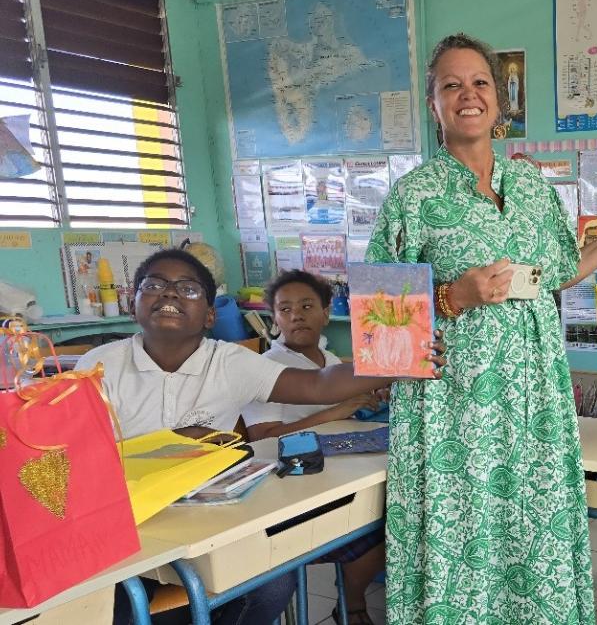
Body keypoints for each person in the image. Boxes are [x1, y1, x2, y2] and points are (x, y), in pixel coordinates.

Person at [364, 33, 597, 624]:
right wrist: (454, 296)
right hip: (453, 411)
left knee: (534, 529)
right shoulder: (412, 197)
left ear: (500, 103)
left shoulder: (531, 189)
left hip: (534, 397)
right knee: (466, 537)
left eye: (479, 83)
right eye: (450, 85)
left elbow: (556, 272)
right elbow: (380, 325)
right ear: (434, 106)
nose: (467, 95)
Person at [78, 250, 440, 625]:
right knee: (116, 607)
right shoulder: (99, 366)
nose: (169, 294)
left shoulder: (230, 362)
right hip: (127, 526)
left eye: (187, 289)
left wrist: (406, 358)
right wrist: (178, 441)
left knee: (273, 583)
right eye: (153, 285)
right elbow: (79, 458)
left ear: (210, 315)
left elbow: (318, 384)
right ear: (133, 303)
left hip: (210, 519)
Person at [241, 269, 385, 625]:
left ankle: (350, 602)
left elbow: (346, 415)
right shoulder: (266, 368)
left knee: (385, 520)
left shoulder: (332, 362)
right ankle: (352, 606)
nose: (296, 315)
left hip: (335, 472)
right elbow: (262, 436)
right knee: (369, 523)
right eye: (285, 309)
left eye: (307, 305)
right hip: (292, 486)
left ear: (326, 311)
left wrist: (368, 398)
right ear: (273, 319)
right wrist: (337, 410)